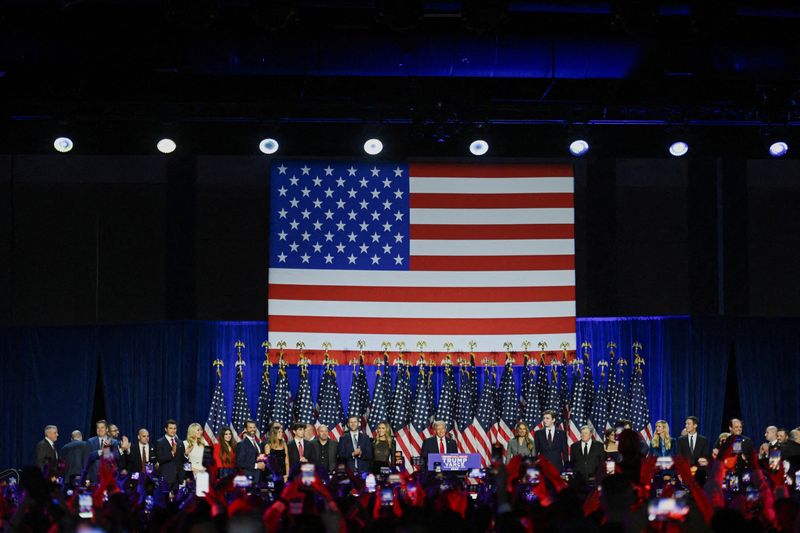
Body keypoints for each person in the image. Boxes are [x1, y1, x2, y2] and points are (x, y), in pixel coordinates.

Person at [155, 419, 186, 489]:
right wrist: (172, 452)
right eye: (171, 428)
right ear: (166, 429)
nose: (173, 430)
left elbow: (182, 461)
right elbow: (160, 459)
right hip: (166, 478)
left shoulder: (180, 443)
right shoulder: (159, 442)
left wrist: (186, 454)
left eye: (175, 428)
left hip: (178, 479)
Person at [235, 419, 266, 484]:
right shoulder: (242, 444)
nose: (253, 429)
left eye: (254, 427)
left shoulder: (259, 444)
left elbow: (258, 458)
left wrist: (263, 464)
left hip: (259, 478)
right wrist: (256, 465)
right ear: (245, 429)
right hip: (248, 479)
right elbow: (239, 463)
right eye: (250, 427)